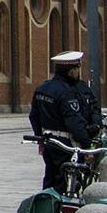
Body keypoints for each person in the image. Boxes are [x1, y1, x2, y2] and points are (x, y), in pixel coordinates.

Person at [28, 51, 93, 192]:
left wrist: (40, 137)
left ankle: (46, 203)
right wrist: (87, 146)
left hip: (48, 141)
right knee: (63, 181)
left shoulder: (42, 89)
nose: (78, 73)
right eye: (77, 69)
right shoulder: (67, 92)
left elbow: (34, 116)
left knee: (49, 177)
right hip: (65, 143)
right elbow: (73, 121)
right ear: (71, 71)